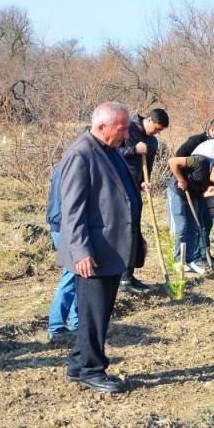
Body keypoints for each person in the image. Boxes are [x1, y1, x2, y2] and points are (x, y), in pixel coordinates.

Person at [55, 101, 140, 393]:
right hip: (94, 251)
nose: (127, 135)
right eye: (122, 129)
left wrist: (135, 238)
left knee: (97, 312)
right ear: (102, 126)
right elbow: (72, 210)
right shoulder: (81, 155)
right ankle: (92, 370)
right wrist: (81, 251)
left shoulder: (109, 150)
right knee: (93, 312)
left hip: (112, 247)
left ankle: (78, 365)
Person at [117, 108, 169, 291]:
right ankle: (120, 277)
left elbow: (148, 165)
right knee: (124, 230)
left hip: (134, 188)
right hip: (119, 187)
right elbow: (113, 153)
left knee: (134, 231)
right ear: (148, 120)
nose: (157, 132)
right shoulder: (127, 129)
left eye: (160, 130)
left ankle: (129, 276)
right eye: (156, 128)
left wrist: (143, 183)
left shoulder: (152, 141)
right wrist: (134, 149)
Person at [167, 154, 214, 273]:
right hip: (177, 192)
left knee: (194, 227)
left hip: (193, 196)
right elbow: (172, 162)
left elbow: (201, 190)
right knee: (180, 227)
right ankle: (177, 261)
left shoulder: (213, 180)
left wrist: (207, 193)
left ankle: (189, 260)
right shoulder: (198, 161)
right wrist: (181, 179)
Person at [45, 162, 79, 343]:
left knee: (77, 275)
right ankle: (56, 327)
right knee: (71, 273)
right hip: (65, 227)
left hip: (64, 225)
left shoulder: (70, 160)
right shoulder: (74, 163)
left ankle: (76, 323)